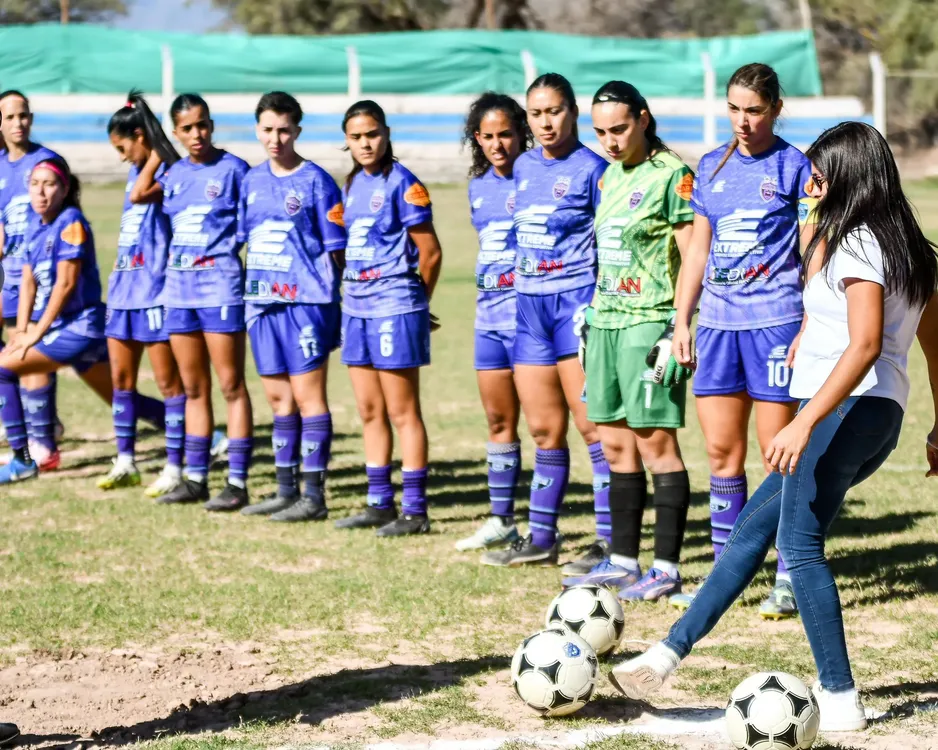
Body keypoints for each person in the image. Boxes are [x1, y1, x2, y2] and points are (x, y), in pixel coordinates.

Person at [609, 121, 938, 732]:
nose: (809, 182)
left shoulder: (863, 243)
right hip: (876, 414)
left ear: (848, 176)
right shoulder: (910, 248)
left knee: (799, 545)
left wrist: (803, 420)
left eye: (819, 172)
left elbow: (865, 345)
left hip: (841, 410)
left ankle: (839, 695)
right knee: (755, 531)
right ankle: (666, 654)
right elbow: (935, 348)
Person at [667, 64, 817, 619]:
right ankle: (725, 572)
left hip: (776, 323)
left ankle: (785, 572)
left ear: (776, 108)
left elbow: (811, 251)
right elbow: (696, 254)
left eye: (754, 110)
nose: (743, 121)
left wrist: (808, 323)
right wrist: (683, 321)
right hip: (718, 328)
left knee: (780, 455)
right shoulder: (710, 167)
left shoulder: (797, 167)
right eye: (734, 108)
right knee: (720, 453)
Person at [480, 73, 626, 569]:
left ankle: (609, 542)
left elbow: (612, 240)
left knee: (594, 430)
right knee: (544, 431)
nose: (545, 122)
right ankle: (542, 536)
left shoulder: (593, 168)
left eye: (554, 112)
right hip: (529, 311)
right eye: (537, 113)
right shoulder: (521, 165)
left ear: (573, 113)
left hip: (574, 309)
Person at [563, 81, 695, 601]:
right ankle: (621, 561)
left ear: (643, 118)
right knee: (613, 442)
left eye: (618, 129)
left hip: (649, 322)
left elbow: (692, 257)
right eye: (599, 132)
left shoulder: (673, 175)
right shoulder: (608, 177)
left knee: (655, 443)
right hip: (606, 322)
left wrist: (679, 324)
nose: (609, 141)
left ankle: (666, 569)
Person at [0, 157, 157, 483]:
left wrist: (35, 334)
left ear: (65, 188)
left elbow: (66, 284)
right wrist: (24, 327)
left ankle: (23, 459)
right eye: (34, 184)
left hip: (80, 326)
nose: (40, 192)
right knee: (120, 397)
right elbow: (28, 281)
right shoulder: (34, 222)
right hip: (65, 327)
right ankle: (208, 437)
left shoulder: (71, 222)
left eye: (49, 184)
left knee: (4, 369)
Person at [334, 100, 442, 537]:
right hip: (356, 307)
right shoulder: (353, 183)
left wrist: (417, 303)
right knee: (368, 409)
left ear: (386, 133)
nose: (365, 143)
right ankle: (379, 502)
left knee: (403, 411)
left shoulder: (404, 184)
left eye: (372, 134)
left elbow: (430, 253)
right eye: (357, 137)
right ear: (347, 140)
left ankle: (415, 511)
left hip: (394, 306)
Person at [238, 91, 346, 522]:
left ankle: (314, 496)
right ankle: (286, 490)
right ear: (258, 130)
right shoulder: (250, 181)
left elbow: (337, 249)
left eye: (284, 129)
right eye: (268, 129)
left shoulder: (317, 181)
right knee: (279, 400)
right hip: (262, 303)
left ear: (298, 130)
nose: (276, 138)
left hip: (306, 302)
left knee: (308, 398)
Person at [145, 94, 254, 511]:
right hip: (179, 291)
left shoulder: (234, 170)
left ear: (212, 124)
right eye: (187, 128)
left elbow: (247, 228)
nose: (197, 134)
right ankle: (195, 478)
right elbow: (142, 196)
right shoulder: (172, 175)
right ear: (175, 133)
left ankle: (238, 481)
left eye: (203, 124)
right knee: (194, 388)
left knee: (231, 385)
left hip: (220, 289)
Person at [97, 91, 190, 496]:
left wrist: (155, 148)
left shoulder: (168, 173)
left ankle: (173, 467)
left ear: (139, 136)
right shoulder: (139, 172)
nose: (121, 157)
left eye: (123, 147)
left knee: (170, 385)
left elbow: (141, 195)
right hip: (122, 292)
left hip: (155, 293)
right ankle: (126, 461)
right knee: (121, 381)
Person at [455, 92, 531, 552]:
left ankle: (549, 525)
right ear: (476, 139)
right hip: (489, 320)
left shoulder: (539, 176)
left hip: (534, 321)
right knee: (498, 420)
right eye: (487, 136)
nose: (497, 145)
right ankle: (502, 519)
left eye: (505, 134)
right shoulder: (478, 187)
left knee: (551, 428)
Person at [0, 90, 64, 471]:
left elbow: (66, 216)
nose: (18, 123)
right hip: (11, 278)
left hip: (43, 276)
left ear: (32, 118)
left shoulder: (47, 162)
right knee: (18, 351)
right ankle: (41, 428)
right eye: (10, 117)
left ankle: (42, 443)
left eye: (23, 116)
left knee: (32, 355)